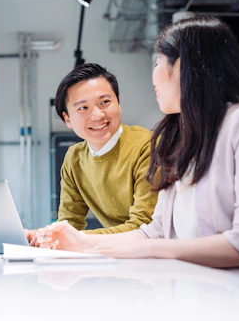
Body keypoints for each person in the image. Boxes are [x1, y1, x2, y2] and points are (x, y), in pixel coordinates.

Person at [36, 15, 239, 289]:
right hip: (216, 294)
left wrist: (150, 249)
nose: (153, 76)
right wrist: (79, 242)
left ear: (184, 67)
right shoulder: (178, 136)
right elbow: (153, 230)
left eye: (158, 61)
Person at [25, 63, 158, 246]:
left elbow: (143, 226)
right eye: (83, 108)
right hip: (115, 256)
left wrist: (76, 238)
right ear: (67, 119)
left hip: (155, 256)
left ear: (119, 104)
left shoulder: (147, 146)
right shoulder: (74, 158)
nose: (97, 115)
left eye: (105, 102)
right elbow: (69, 223)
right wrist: (39, 235)